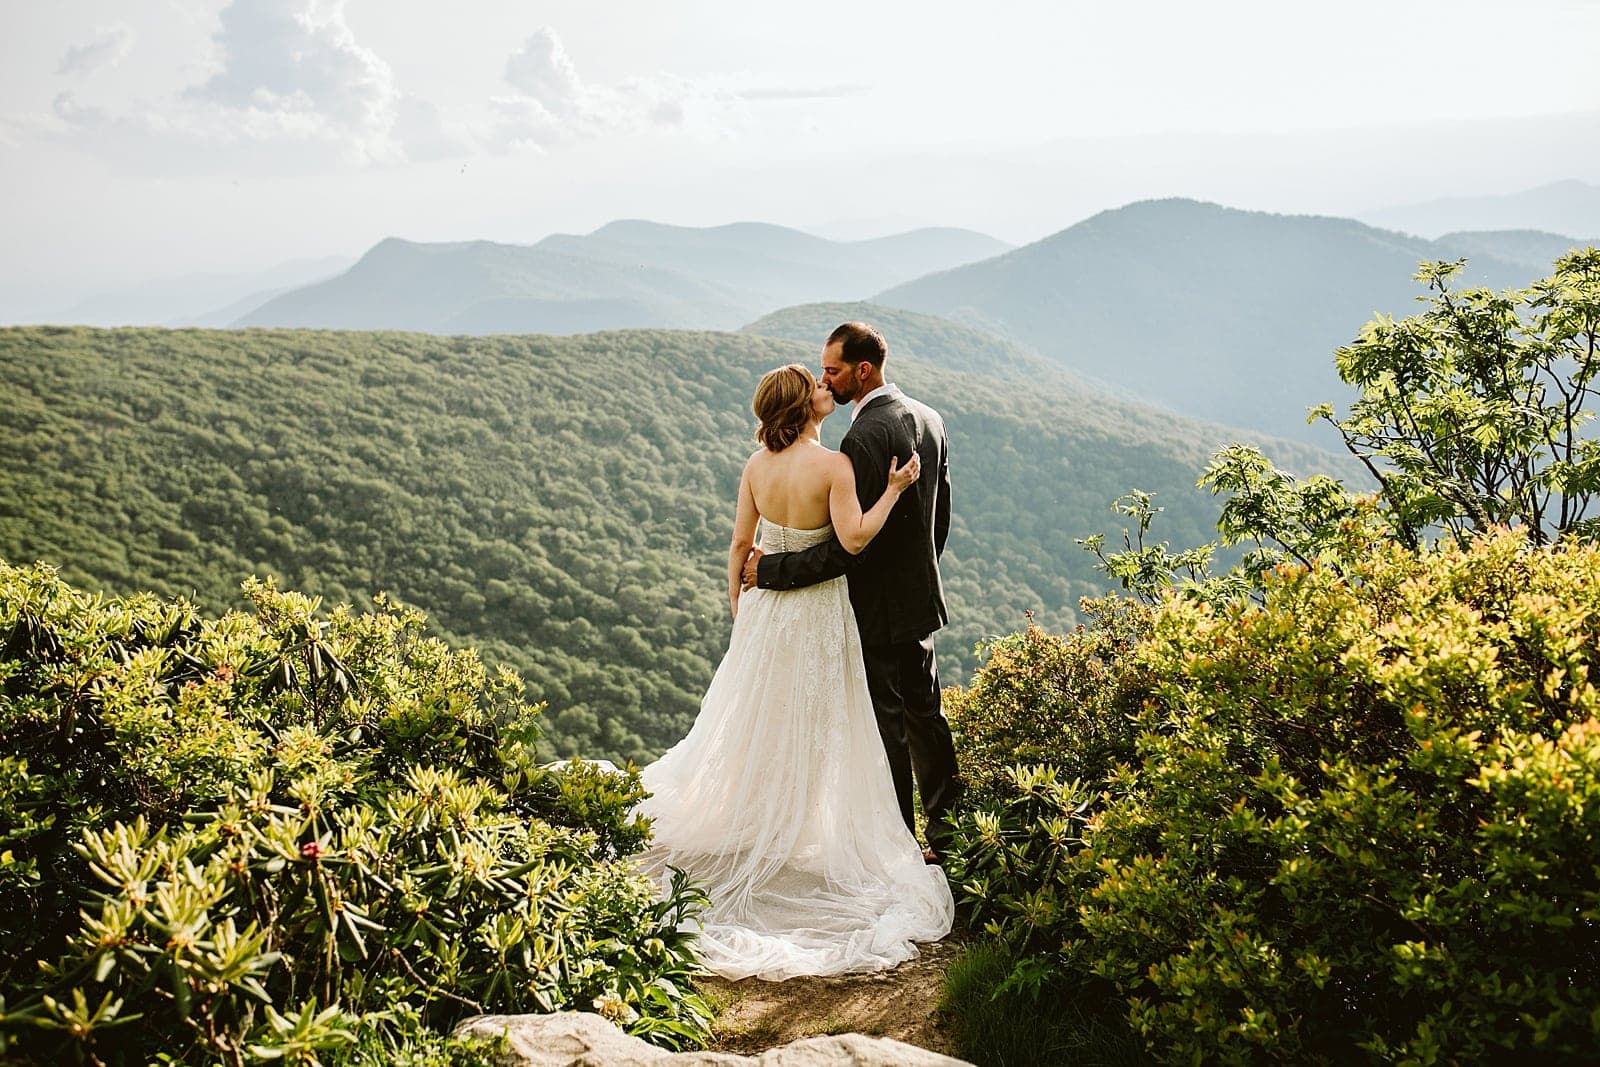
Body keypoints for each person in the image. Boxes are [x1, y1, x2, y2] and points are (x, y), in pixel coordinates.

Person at [635, 361, 954, 981]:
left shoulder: (756, 467)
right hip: (816, 613)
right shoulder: (834, 465)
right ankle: (810, 823)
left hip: (762, 613)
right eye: (815, 385)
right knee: (827, 718)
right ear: (803, 407)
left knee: (764, 716)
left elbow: (738, 547)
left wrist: (740, 612)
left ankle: (770, 819)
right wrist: (894, 487)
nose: (824, 388)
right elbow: (855, 540)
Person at [743, 323, 962, 861]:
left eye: (834, 371)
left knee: (886, 722)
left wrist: (770, 572)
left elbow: (848, 547)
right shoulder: (930, 420)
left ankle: (900, 843)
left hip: (873, 605)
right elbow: (940, 520)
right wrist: (918, 575)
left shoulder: (862, 438)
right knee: (926, 713)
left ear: (862, 370)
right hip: (919, 598)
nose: (827, 380)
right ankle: (949, 833)